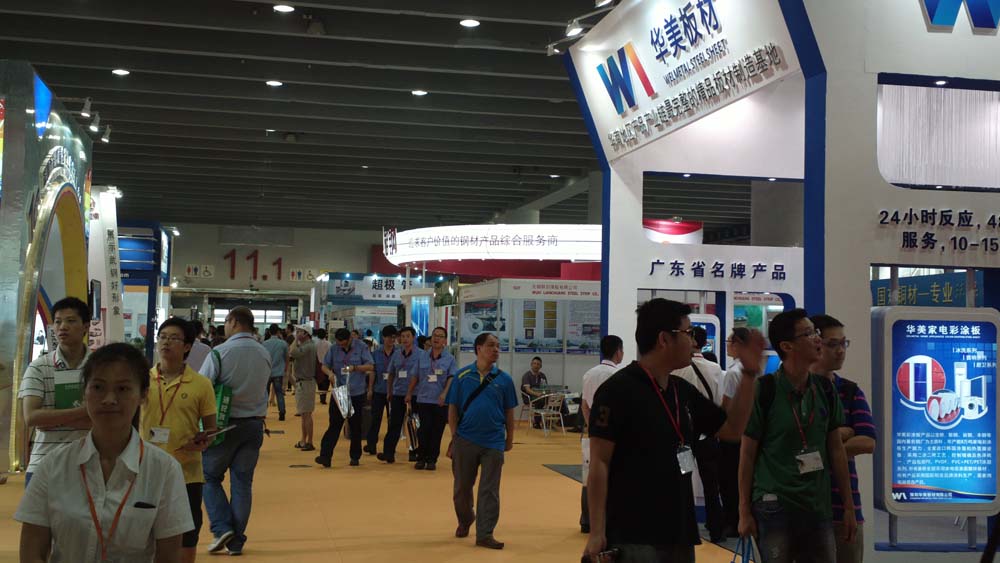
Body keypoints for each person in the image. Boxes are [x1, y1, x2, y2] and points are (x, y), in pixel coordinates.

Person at [584, 299, 765, 562]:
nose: (693, 341)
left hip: (680, 531)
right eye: (688, 333)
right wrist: (597, 532)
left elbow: (732, 429)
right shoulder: (616, 392)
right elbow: (599, 463)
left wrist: (748, 375)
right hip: (633, 533)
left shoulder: (682, 391)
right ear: (664, 339)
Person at [16, 343, 193, 562]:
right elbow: (32, 551)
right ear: (85, 392)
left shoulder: (164, 470)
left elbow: (169, 557)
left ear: (143, 395)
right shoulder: (53, 465)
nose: (109, 399)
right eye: (98, 387)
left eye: (123, 389)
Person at [739, 309, 857, 563]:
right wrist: (744, 511)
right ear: (787, 346)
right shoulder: (765, 390)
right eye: (809, 333)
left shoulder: (825, 389)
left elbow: (836, 449)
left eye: (816, 332)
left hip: (817, 507)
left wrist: (849, 507)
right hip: (774, 505)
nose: (817, 339)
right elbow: (747, 453)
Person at [142, 319, 218, 563]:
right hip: (144, 471)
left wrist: (203, 441)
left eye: (174, 338)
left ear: (187, 347)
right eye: (162, 336)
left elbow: (211, 429)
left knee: (187, 534)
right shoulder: (141, 381)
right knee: (144, 532)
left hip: (186, 473)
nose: (166, 342)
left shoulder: (201, 384)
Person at [198, 306, 271, 556]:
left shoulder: (220, 353)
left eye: (226, 322)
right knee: (242, 483)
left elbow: (203, 387)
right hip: (254, 425)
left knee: (209, 476)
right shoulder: (264, 352)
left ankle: (221, 528)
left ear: (234, 322)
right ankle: (236, 541)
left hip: (223, 425)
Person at [810, 314, 875, 563]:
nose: (840, 351)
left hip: (844, 506)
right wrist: (842, 434)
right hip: (803, 507)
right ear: (816, 344)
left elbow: (868, 442)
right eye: (833, 344)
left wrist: (826, 447)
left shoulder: (849, 391)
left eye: (843, 343)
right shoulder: (795, 390)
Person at [446, 333, 518, 550]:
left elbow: (509, 412)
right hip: (465, 440)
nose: (496, 349)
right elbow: (452, 408)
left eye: (498, 346)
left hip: (493, 441)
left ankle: (485, 533)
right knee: (462, 488)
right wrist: (455, 437)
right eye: (491, 345)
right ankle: (466, 519)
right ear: (478, 348)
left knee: (489, 490)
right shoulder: (462, 376)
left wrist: (510, 438)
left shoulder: (504, 380)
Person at [18, 297, 93, 485]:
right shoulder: (38, 367)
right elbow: (32, 418)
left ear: (86, 326)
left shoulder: (100, 367)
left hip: (89, 466)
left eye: (71, 321)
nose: (62, 327)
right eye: (58, 322)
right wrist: (84, 412)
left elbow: (106, 417)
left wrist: (51, 418)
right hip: (44, 464)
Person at [672, 325, 727, 542]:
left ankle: (684, 527)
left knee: (683, 479)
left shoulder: (678, 369)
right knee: (711, 484)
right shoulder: (715, 369)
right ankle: (716, 529)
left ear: (692, 340)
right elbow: (720, 400)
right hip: (708, 435)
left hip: (684, 437)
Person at [579, 335, 624, 535]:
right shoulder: (619, 376)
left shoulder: (589, 374)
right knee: (611, 477)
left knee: (589, 476)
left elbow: (584, 406)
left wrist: (593, 429)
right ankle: (607, 521)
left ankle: (586, 521)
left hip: (592, 433)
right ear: (618, 352)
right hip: (613, 435)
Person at [316, 328, 374, 467]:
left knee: (355, 427)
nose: (341, 346)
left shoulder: (361, 347)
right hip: (340, 392)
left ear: (350, 339)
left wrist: (355, 368)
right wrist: (330, 373)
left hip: (356, 393)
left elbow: (370, 366)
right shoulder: (334, 348)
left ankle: (355, 456)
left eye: (344, 343)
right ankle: (325, 456)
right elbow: (324, 366)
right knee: (334, 425)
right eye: (339, 343)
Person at [408, 326, 456, 470]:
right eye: (435, 335)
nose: (436, 338)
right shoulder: (422, 356)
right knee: (423, 430)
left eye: (440, 336)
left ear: (445, 341)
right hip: (423, 399)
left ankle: (431, 459)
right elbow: (415, 376)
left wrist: (445, 393)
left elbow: (451, 377)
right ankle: (421, 458)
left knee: (436, 431)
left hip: (440, 401)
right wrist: (409, 393)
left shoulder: (450, 359)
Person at [719, 327, 752, 536]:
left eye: (730, 341)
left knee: (728, 479)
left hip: (732, 434)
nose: (728, 345)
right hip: (748, 433)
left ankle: (732, 522)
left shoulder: (732, 373)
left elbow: (726, 405)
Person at [379, 327, 430, 464]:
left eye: (408, 336)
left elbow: (423, 375)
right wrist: (389, 391)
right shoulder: (396, 354)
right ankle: (388, 452)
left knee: (414, 424)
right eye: (402, 336)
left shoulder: (422, 355)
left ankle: (414, 452)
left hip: (415, 394)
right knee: (394, 424)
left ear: (413, 338)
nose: (405, 339)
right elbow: (391, 373)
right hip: (398, 393)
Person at [366, 325, 400, 456]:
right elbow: (372, 372)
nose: (392, 340)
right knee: (375, 419)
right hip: (379, 390)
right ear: (383, 337)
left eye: (394, 337)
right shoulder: (375, 353)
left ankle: (390, 447)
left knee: (393, 421)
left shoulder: (399, 353)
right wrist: (370, 389)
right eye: (389, 337)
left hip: (394, 392)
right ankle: (371, 444)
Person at [289, 325, 318, 451]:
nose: (297, 333)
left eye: (299, 331)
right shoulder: (307, 345)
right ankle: (303, 440)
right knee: (304, 414)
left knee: (306, 414)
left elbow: (292, 352)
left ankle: (309, 441)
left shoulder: (308, 346)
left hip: (306, 383)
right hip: (303, 383)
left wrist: (295, 339)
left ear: (306, 334)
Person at [261, 324, 289, 421]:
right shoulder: (283, 344)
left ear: (269, 332)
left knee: (265, 393)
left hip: (267, 372)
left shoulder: (264, 344)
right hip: (279, 372)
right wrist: (285, 369)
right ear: (278, 332)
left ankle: (263, 413)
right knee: (279, 393)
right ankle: (282, 413)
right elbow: (286, 358)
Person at [520, 357, 548, 428]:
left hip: (541, 396)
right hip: (529, 397)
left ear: (540, 366)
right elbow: (527, 390)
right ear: (531, 364)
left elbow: (546, 388)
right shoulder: (526, 375)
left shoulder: (542, 376)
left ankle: (552, 421)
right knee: (540, 400)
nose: (536, 365)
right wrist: (537, 394)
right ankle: (537, 422)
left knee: (556, 399)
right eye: (534, 363)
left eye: (538, 364)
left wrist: (546, 393)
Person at [314, 328, 332, 405]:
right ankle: (323, 397)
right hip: (327, 364)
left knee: (319, 381)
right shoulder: (329, 344)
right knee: (326, 381)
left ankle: (321, 396)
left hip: (318, 364)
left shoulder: (315, 344)